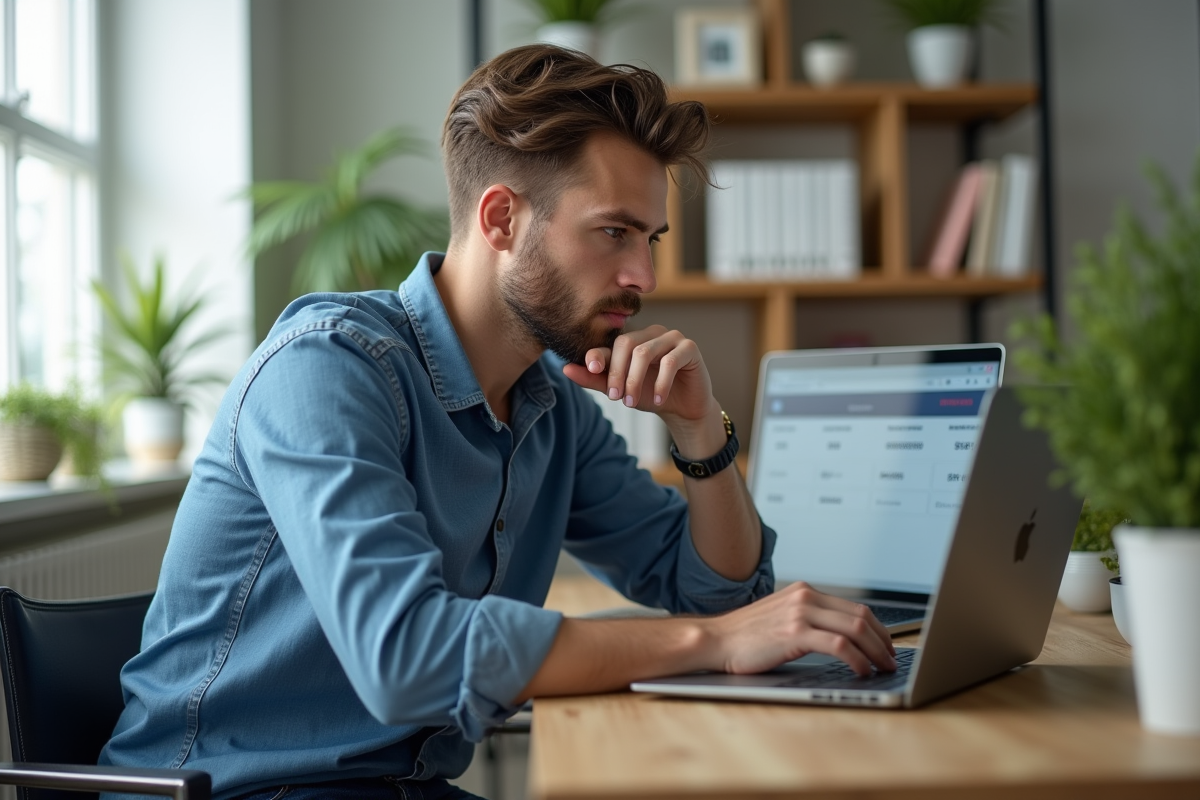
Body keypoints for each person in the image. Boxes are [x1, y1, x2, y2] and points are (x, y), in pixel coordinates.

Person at [101, 44, 895, 800]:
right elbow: (408, 657)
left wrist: (698, 432)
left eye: (649, 240)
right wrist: (714, 645)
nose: (644, 276)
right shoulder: (326, 369)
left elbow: (723, 597)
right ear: (502, 219)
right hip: (231, 788)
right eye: (614, 232)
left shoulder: (550, 406)